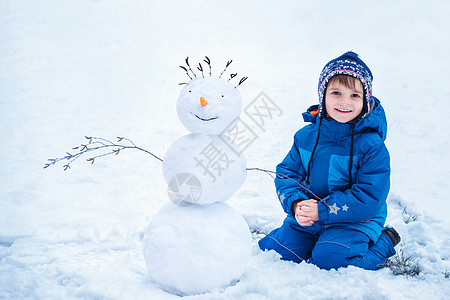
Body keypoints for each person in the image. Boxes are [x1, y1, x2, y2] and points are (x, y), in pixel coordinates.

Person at [258, 51, 400, 270]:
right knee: (274, 251)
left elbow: (370, 195)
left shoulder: (371, 146)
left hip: (355, 219)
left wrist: (323, 210)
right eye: (336, 92)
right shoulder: (305, 137)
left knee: (331, 259)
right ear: (323, 95)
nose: (345, 102)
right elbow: (287, 174)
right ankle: (312, 238)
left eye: (355, 96)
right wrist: (296, 204)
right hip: (310, 217)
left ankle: (384, 241)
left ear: (366, 100)